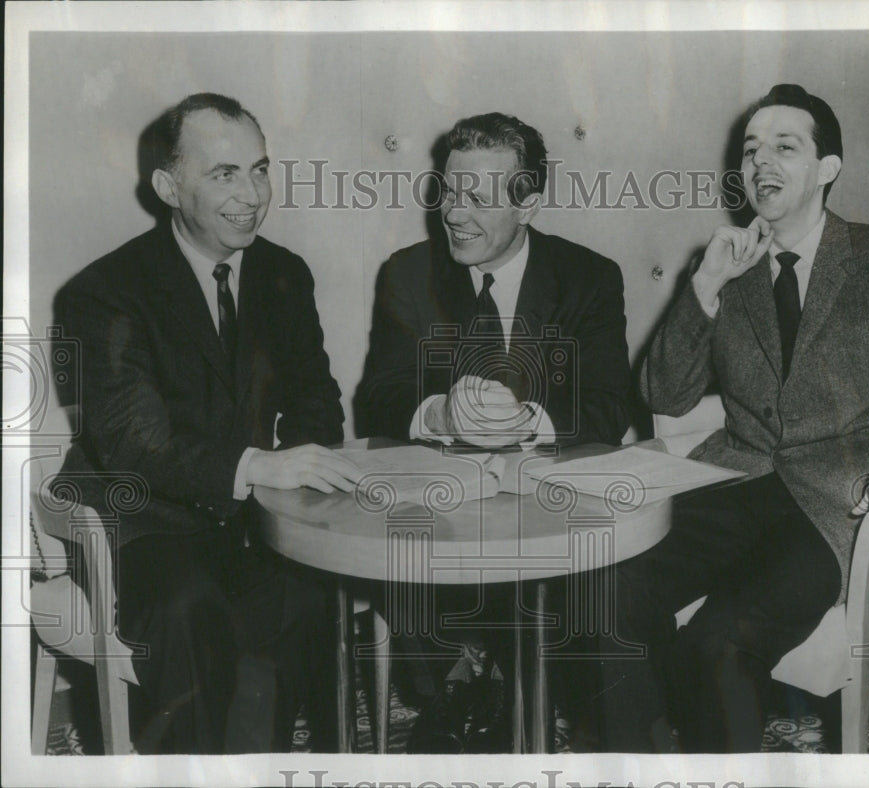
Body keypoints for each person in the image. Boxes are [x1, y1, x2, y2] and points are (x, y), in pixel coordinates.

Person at [597, 84, 869, 752]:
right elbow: (664, 395)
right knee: (606, 594)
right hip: (736, 485)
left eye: (784, 147)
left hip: (837, 507)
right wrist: (702, 289)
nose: (761, 161)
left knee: (718, 645)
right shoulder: (729, 272)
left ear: (828, 168)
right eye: (751, 150)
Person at [54, 93, 351, 753]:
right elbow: (133, 442)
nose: (252, 194)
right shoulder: (102, 293)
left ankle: (265, 759)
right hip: (139, 527)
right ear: (169, 186)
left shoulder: (283, 276)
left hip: (248, 521)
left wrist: (296, 478)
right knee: (193, 611)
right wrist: (256, 466)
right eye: (224, 174)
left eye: (261, 169)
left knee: (312, 599)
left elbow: (316, 401)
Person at [355, 112, 632, 751]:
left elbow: (610, 405)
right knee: (397, 539)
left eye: (479, 198)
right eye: (449, 191)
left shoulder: (589, 278)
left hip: (546, 510)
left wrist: (528, 419)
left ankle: (515, 688)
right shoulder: (407, 273)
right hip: (443, 510)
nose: (454, 213)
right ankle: (454, 688)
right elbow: (380, 397)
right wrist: (438, 413)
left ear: (528, 203)